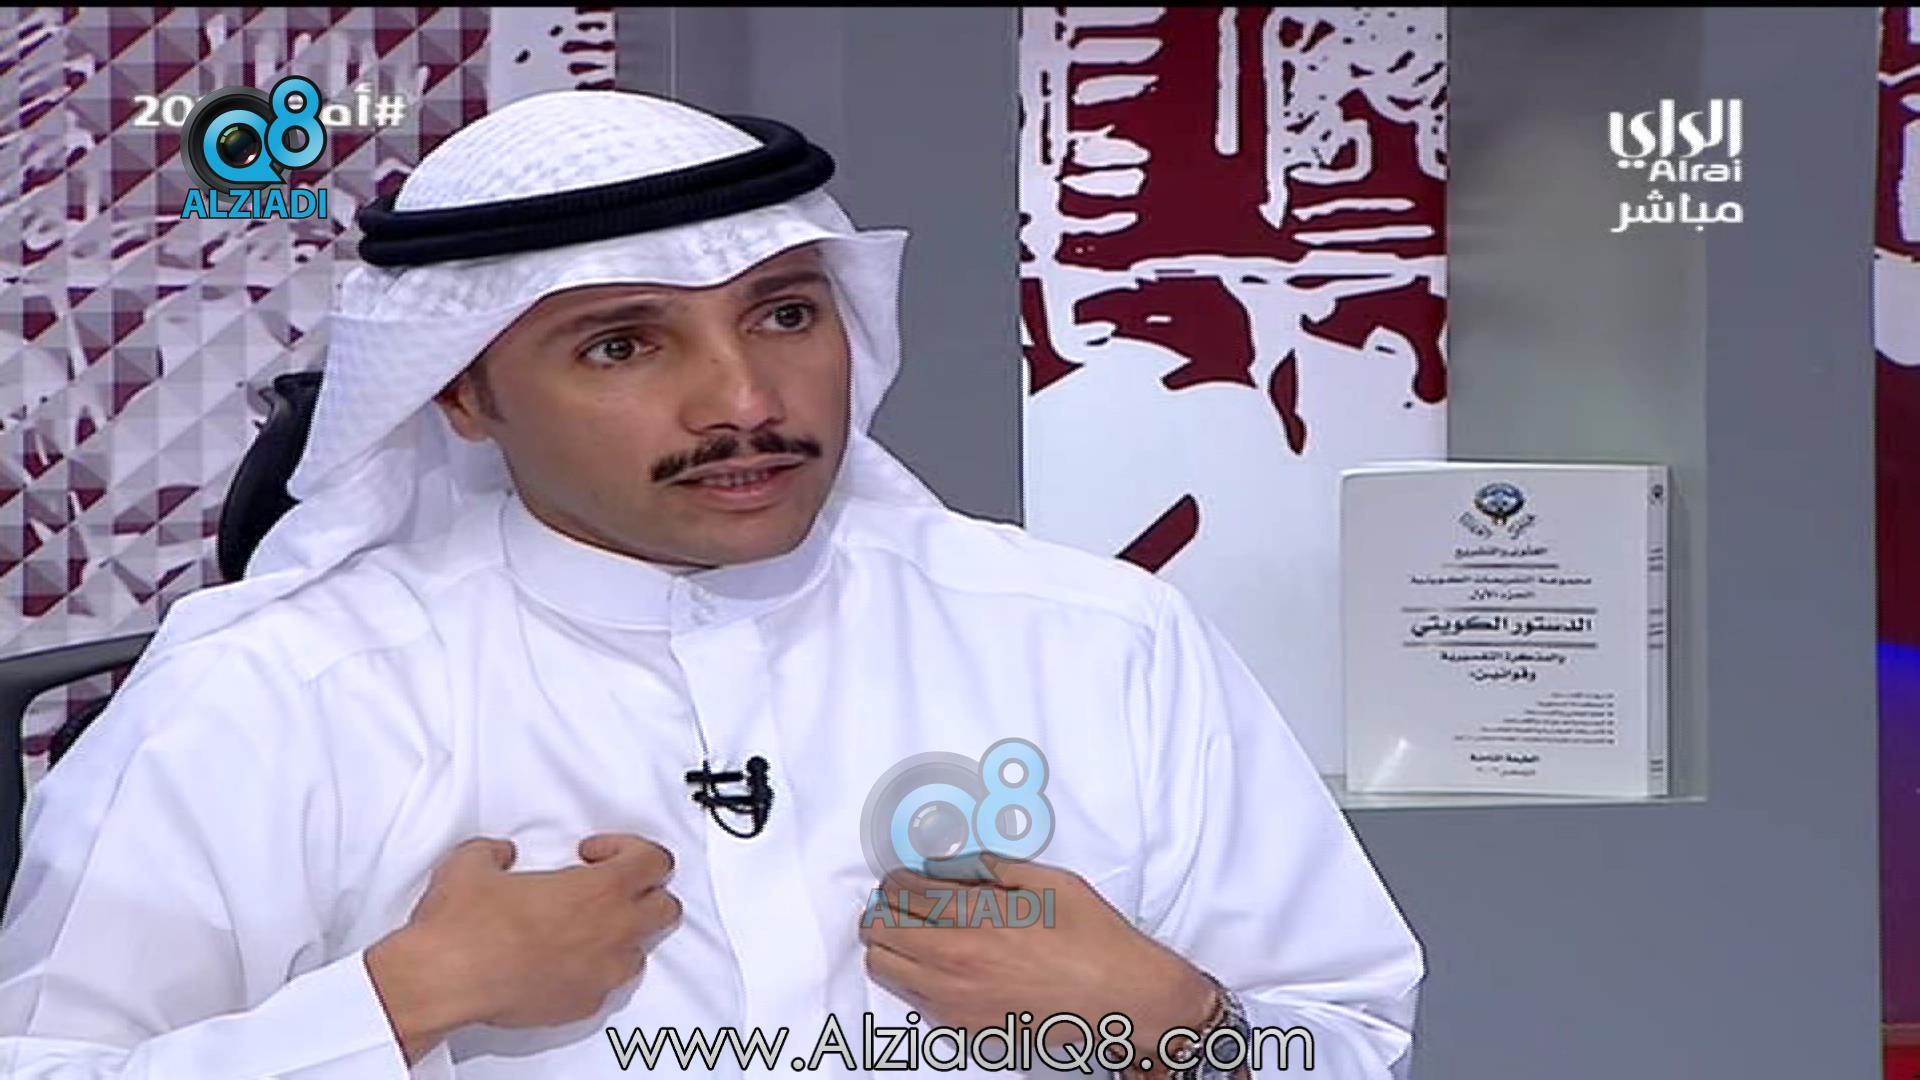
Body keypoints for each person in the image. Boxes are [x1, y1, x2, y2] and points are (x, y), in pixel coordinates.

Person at [0, 90, 1422, 1078]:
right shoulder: (274, 691)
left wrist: (1177, 1027)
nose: (745, 399)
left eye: (786, 315)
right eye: (623, 345)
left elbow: (1352, 1035)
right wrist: (405, 1001)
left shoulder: (1097, 639)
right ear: (465, 398)